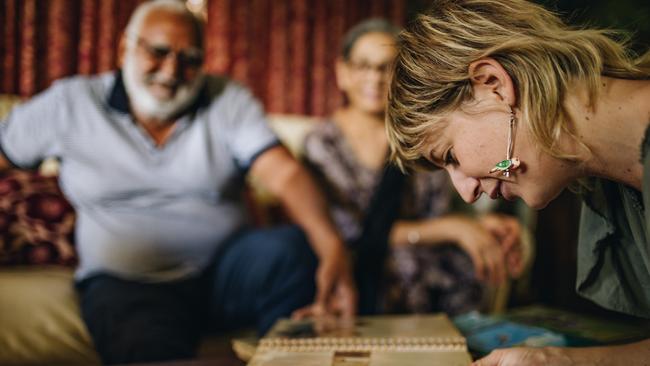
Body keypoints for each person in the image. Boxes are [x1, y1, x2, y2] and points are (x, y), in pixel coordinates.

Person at [0, 0, 355, 364]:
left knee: (290, 249)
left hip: (222, 275)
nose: (171, 71)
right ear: (125, 48)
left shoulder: (227, 98)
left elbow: (283, 172)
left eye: (190, 59)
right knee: (146, 347)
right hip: (128, 283)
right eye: (158, 52)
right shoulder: (70, 102)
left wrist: (331, 244)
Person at [385, 0, 650, 364]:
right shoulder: (603, 186)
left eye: (449, 156)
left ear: (492, 84)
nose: (466, 190)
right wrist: (558, 362)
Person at [301, 19, 524, 316]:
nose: (375, 78)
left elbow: (440, 210)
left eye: (387, 67)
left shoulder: (423, 136)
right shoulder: (322, 143)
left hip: (428, 255)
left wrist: (475, 226)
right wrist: (449, 229)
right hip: (357, 259)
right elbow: (351, 232)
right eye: (363, 66)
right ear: (342, 73)